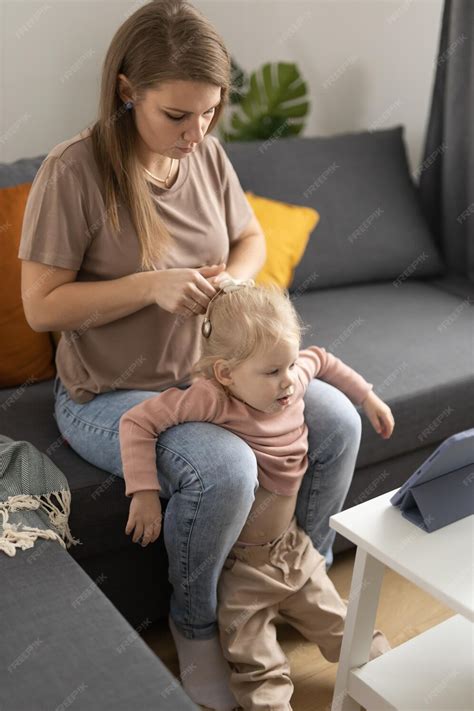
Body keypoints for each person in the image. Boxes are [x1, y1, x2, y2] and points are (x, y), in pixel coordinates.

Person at [17, 1, 379, 708]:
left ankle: (284, 582)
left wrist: (236, 278)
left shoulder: (205, 153)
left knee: (337, 421)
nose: (197, 131)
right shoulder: (74, 170)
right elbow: (42, 306)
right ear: (128, 90)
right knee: (224, 466)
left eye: (209, 112)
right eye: (177, 115)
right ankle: (197, 625)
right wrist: (150, 287)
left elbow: (249, 240)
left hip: (211, 377)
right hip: (110, 394)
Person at [119, 278, 394, 710]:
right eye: (271, 372)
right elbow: (137, 422)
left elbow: (320, 360)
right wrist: (144, 492)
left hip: (293, 551)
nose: (288, 382)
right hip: (241, 572)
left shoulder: (292, 380)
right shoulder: (211, 399)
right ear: (226, 373)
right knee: (260, 670)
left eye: (287, 366)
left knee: (353, 632)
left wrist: (369, 397)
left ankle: (398, 688)